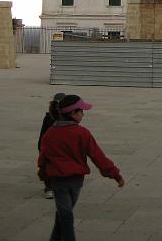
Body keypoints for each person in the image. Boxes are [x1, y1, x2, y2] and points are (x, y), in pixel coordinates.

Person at [38, 93, 125, 241]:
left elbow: (43, 158)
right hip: (75, 181)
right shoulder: (82, 133)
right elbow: (98, 157)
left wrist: (44, 175)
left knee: (63, 214)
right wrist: (115, 175)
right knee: (66, 217)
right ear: (73, 113)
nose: (83, 114)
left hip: (59, 182)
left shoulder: (51, 133)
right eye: (81, 111)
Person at [38, 92, 66, 199]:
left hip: (57, 147)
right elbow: (43, 134)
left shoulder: (66, 117)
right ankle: (49, 187)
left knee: (52, 167)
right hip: (51, 147)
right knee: (49, 167)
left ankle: (51, 187)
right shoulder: (49, 118)